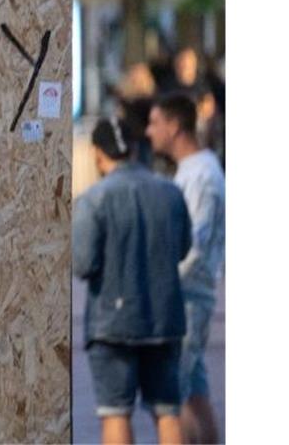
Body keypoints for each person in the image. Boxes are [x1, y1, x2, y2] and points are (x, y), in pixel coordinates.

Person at [73, 117, 191, 445]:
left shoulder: (92, 200)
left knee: (115, 413)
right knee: (167, 411)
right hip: (165, 318)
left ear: (98, 153)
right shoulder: (171, 193)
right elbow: (182, 250)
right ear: (136, 148)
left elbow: (82, 264)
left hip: (112, 324)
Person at [146, 93, 226, 444]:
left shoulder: (203, 175)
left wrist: (161, 284)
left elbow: (194, 244)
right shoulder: (193, 170)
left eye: (155, 123)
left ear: (174, 126)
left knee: (168, 399)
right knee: (193, 391)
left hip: (187, 296)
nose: (149, 132)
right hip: (185, 293)